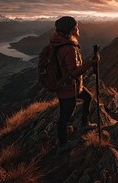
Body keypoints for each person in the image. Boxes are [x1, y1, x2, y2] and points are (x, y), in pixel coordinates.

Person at [50, 16, 97, 147]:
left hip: (70, 86)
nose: (78, 28)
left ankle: (84, 123)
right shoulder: (69, 48)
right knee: (65, 117)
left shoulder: (60, 43)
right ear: (71, 29)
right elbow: (73, 72)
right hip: (68, 88)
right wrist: (89, 64)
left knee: (87, 97)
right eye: (76, 26)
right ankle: (63, 145)